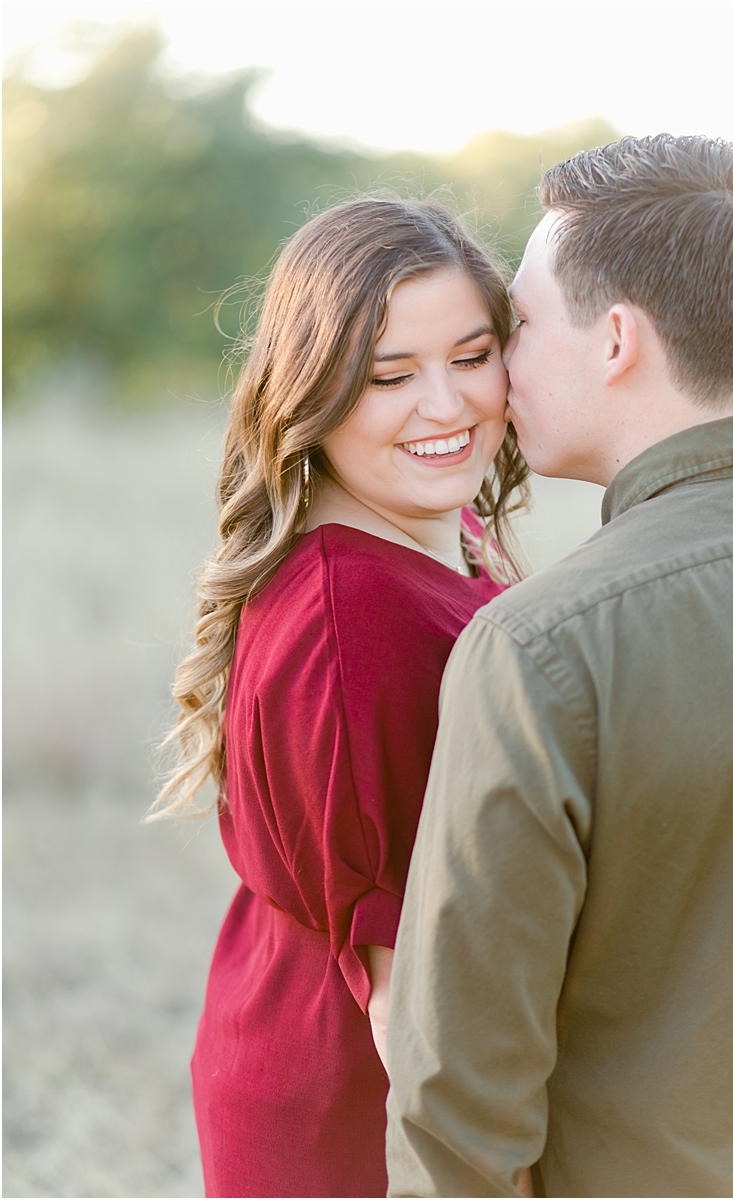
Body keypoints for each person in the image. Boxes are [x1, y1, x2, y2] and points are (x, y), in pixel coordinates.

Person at [385, 135, 733, 1198]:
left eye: (519, 324)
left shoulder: (543, 651)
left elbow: (461, 1106)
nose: (502, 366)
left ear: (615, 339)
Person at [149, 197, 530, 1198]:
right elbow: (405, 993)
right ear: (313, 390)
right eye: (390, 376)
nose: (445, 407)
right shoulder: (353, 614)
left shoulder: (413, 537)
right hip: (363, 1119)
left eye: (473, 354)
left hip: (300, 1047)